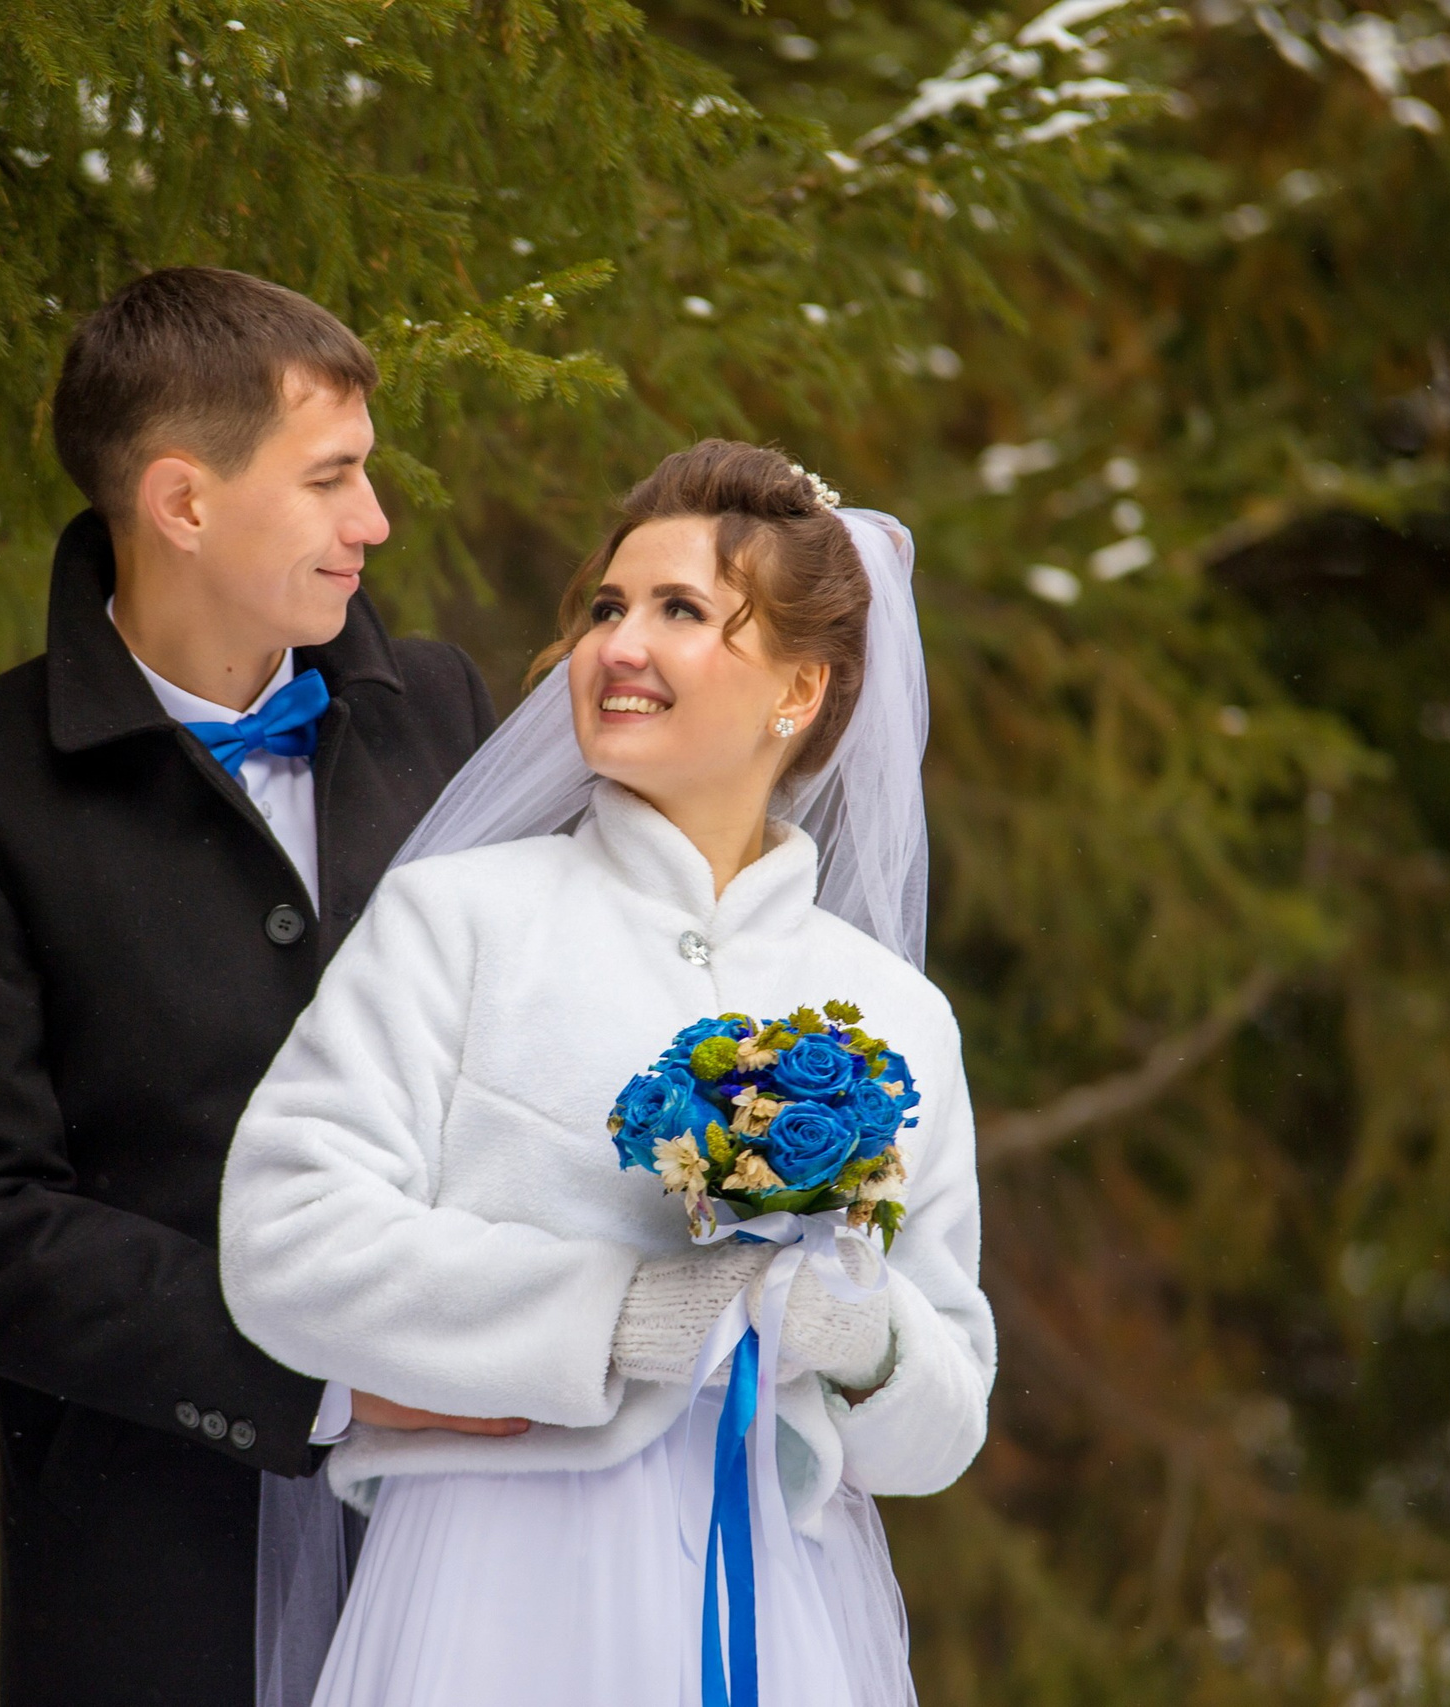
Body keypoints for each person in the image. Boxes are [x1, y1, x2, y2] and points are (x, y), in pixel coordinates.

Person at [0, 267, 514, 1707]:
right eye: (332, 478)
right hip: (162, 1561)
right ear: (184, 503)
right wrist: (332, 1379)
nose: (374, 521)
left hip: (493, 1527)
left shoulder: (442, 705)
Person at [220, 441, 997, 1706]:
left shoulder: (898, 1017)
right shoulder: (455, 921)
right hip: (488, 1590)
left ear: (799, 690)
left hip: (783, 1613)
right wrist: (614, 1314)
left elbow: (942, 1423)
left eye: (679, 612)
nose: (616, 647)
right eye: (605, 608)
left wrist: (860, 1338)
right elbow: (284, 1244)